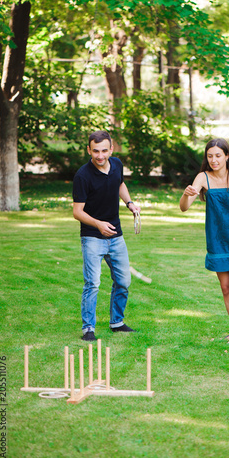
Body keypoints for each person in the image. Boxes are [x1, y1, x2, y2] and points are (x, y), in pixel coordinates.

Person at [180, 138, 229, 345]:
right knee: (225, 288)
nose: (213, 160)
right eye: (209, 156)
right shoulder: (202, 178)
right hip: (217, 240)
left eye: (218, 155)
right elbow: (184, 207)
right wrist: (186, 194)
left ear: (226, 156)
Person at [72, 130, 140, 340]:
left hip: (116, 236)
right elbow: (77, 212)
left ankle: (117, 322)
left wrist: (129, 203)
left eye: (104, 151)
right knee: (92, 283)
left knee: (123, 281)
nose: (100, 156)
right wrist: (98, 224)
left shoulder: (117, 164)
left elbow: (119, 183)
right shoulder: (83, 176)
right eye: (95, 151)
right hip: (92, 237)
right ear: (88, 150)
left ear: (111, 149)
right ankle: (88, 328)